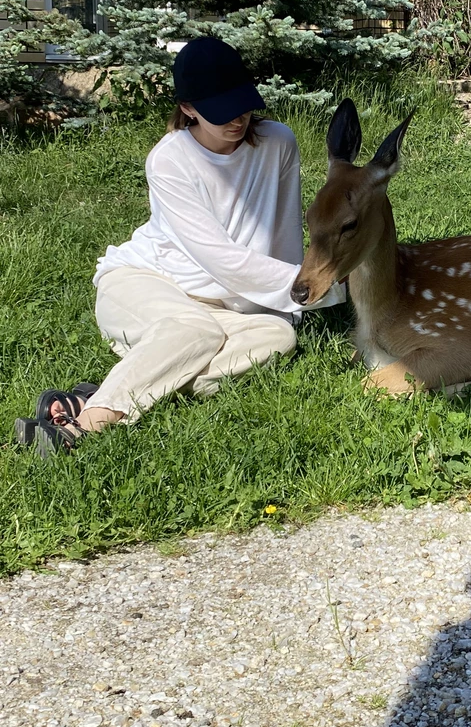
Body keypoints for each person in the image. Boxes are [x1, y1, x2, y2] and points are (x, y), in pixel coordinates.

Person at [15, 37, 344, 457]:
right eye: (220, 111)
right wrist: (327, 288)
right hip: (144, 282)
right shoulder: (169, 160)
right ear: (188, 107)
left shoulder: (278, 142)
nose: (237, 120)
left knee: (278, 337)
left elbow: (280, 230)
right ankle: (88, 422)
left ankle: (117, 385)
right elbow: (220, 259)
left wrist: (293, 300)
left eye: (242, 104)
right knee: (196, 330)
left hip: (220, 305)